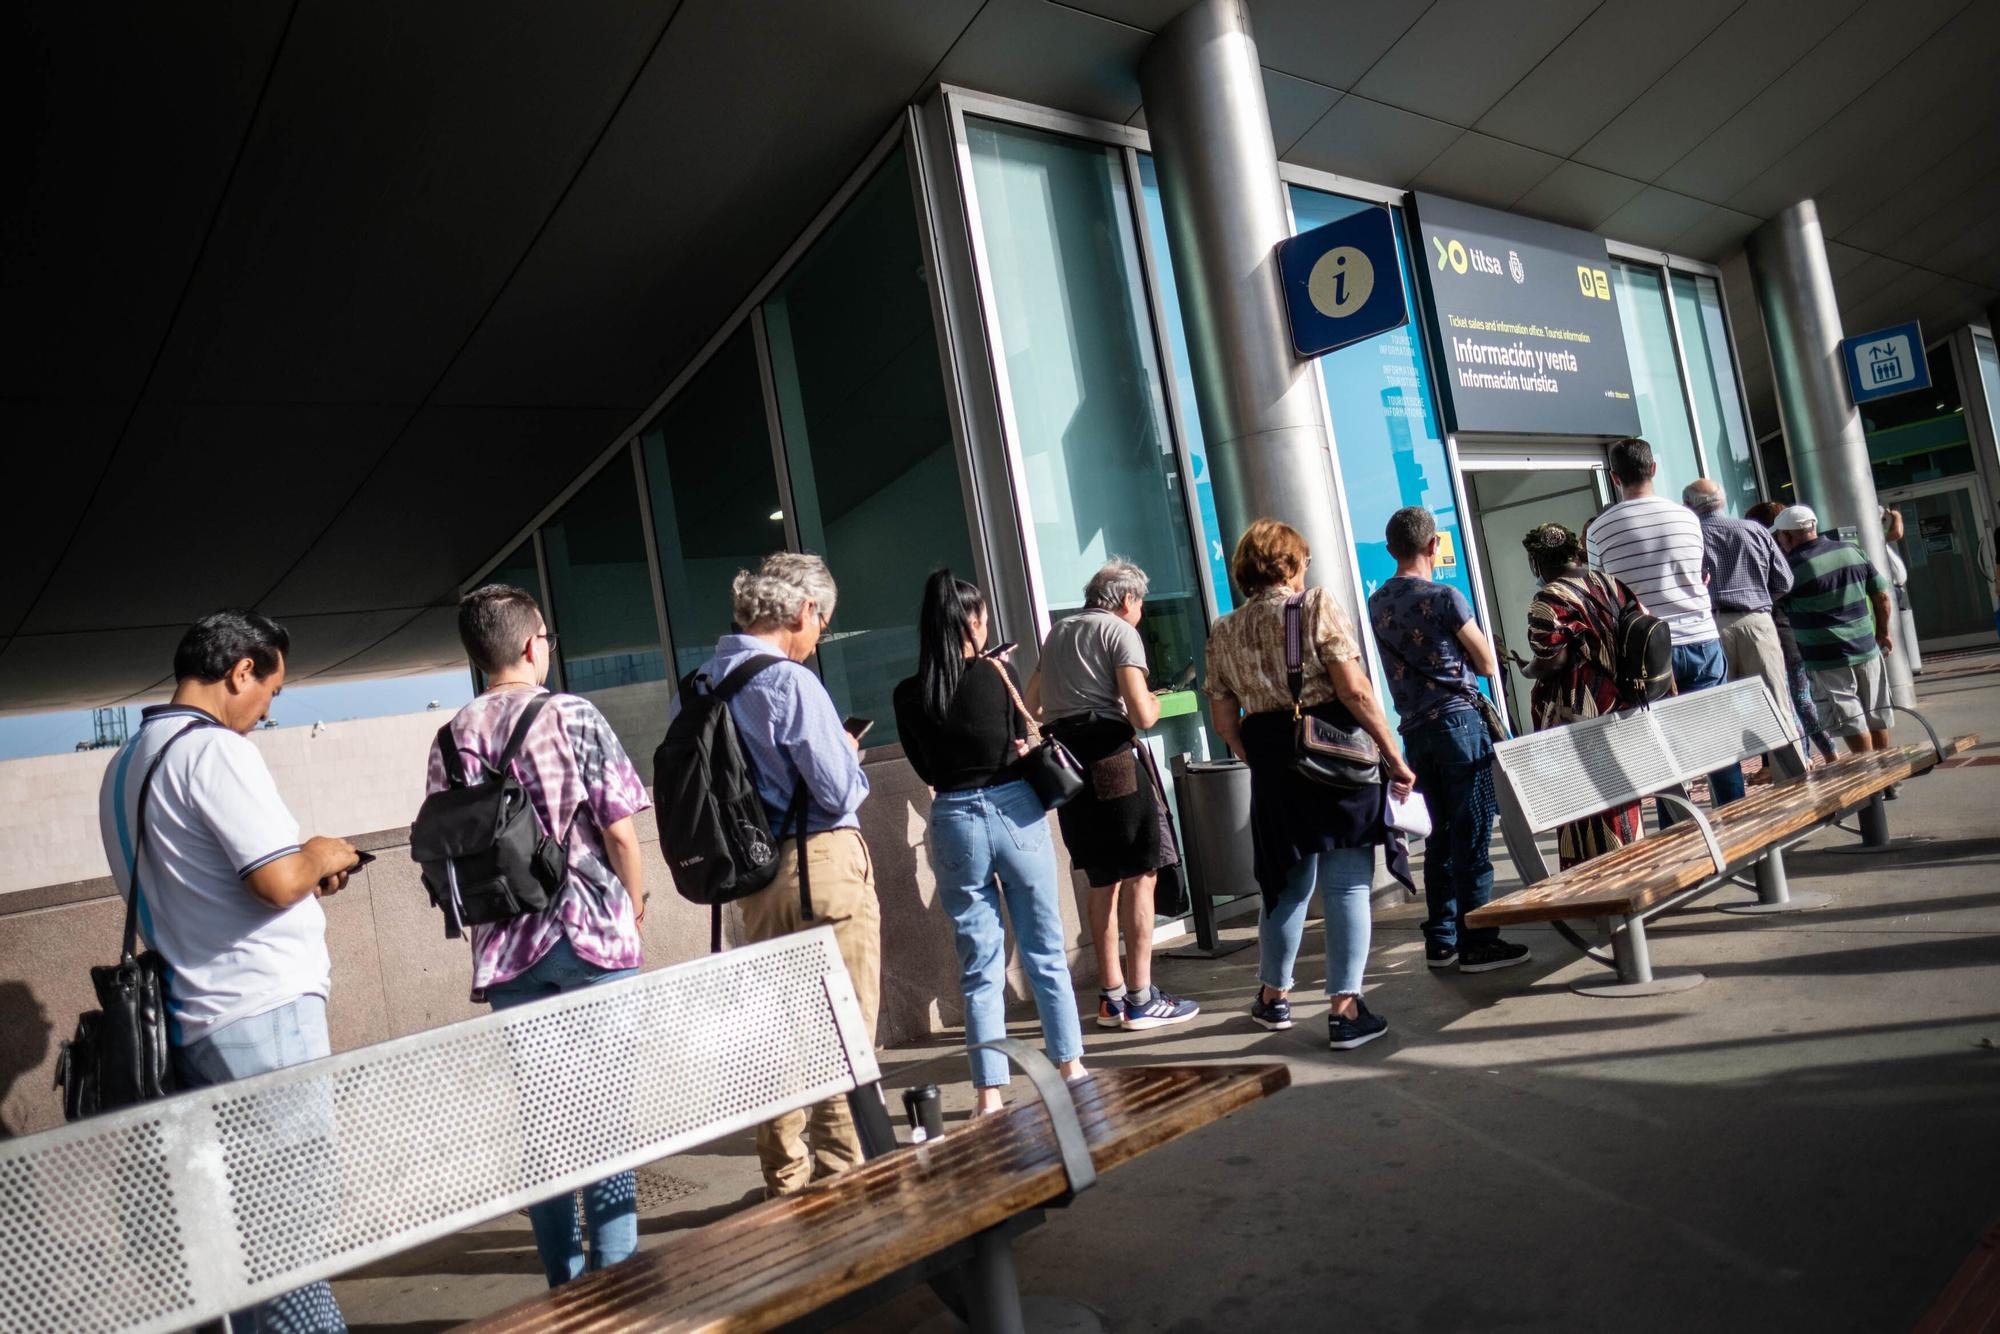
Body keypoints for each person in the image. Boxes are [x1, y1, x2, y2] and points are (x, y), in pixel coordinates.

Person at [98, 610, 360, 1334]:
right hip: (262, 1014)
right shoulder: (213, 751)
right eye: (269, 692)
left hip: (197, 1018)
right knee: (292, 1243)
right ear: (241, 670)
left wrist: (300, 872)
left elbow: (204, 891)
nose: (268, 712)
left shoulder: (125, 766)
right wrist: (324, 853)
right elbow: (274, 880)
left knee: (247, 1247)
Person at [432, 584, 651, 1287]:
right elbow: (619, 827)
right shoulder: (571, 714)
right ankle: (615, 1289)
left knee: (550, 1131)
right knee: (607, 1123)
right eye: (548, 637)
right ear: (532, 644)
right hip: (589, 936)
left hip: (506, 955)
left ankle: (566, 1286)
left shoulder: (450, 739)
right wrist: (635, 898)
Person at [678, 552, 880, 1194]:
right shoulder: (792, 684)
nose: (821, 634)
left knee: (780, 1039)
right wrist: (848, 753)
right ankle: (843, 1184)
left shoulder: (707, 681)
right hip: (822, 865)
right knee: (843, 1034)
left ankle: (786, 1181)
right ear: (801, 611)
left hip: (755, 879)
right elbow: (835, 790)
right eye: (823, 621)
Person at [1205, 520, 1415, 1051]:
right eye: (1304, 560)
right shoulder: (1314, 605)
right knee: (1346, 882)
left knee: (1285, 882)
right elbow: (1354, 690)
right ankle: (1345, 1011)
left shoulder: (1223, 629)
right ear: (1291, 563)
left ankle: (1273, 998)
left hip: (1273, 758)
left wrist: (1262, 759)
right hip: (1334, 749)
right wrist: (1392, 755)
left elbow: (1224, 718)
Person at [894, 572, 1088, 1112]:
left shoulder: (909, 695)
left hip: (955, 817)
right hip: (1013, 810)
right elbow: (1017, 742)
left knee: (979, 963)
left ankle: (989, 1094)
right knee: (1044, 950)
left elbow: (926, 768)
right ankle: (1071, 1066)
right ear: (968, 621)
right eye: (979, 616)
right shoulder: (996, 673)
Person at [1025, 559, 1198, 1032]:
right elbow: (1142, 715)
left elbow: (1031, 702)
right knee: (1141, 873)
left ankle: (1111, 997)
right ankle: (1142, 998)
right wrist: (1156, 698)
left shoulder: (1058, 634)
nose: (1139, 610)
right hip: (1115, 762)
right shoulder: (1120, 632)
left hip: (1071, 769)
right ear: (1127, 600)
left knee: (1102, 879)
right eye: (1140, 602)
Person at [1367, 507, 1529, 974]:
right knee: (1473, 835)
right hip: (1460, 726)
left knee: (1436, 840)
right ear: (1433, 546)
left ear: (1391, 549)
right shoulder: (1445, 596)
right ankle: (1478, 941)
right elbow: (1486, 664)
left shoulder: (1378, 604)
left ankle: (1441, 940)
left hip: (1415, 731)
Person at [1589, 439, 1743, 816]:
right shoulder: (1687, 518)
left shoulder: (1600, 529)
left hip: (1648, 654)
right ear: (1653, 468)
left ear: (1614, 477)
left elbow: (1603, 593)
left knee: (1661, 751)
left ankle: (1679, 837)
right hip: (1701, 639)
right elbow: (1697, 573)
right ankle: (1738, 820)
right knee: (1718, 742)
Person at [1519, 525, 1646, 869]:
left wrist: (1526, 670)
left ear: (1536, 562)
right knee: (1618, 787)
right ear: (1576, 551)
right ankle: (1628, 857)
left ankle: (1593, 872)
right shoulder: (1610, 583)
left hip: (1578, 706)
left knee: (1578, 794)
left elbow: (1554, 659)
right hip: (1618, 699)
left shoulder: (1549, 597)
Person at [1684, 478, 1794, 772]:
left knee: (1719, 712)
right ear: (1722, 501)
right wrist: (1759, 598)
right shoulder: (1754, 530)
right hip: (1757, 621)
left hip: (1711, 625)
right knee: (1776, 702)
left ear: (1688, 506)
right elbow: (1784, 580)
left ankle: (1730, 793)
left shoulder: (1690, 537)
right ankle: (1793, 778)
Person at [1770, 506, 1895, 754]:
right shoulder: (1851, 550)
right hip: (1867, 647)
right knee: (1876, 712)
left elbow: (1777, 607)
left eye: (1780, 536)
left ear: (1787, 535)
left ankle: (1870, 779)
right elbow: (1881, 596)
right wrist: (1883, 632)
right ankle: (1887, 775)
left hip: (1825, 657)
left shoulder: (1790, 569)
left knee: (1849, 719)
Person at [1746, 502, 1838, 764]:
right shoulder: (1784, 560)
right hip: (1796, 638)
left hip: (1779, 639)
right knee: (1802, 700)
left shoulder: (1772, 561)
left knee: (1790, 702)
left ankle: (1805, 757)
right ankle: (1824, 752)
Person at [1879, 506, 1924, 675]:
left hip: (1895, 587)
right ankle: (1897, 667)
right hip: (1890, 588)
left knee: (1897, 625)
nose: (1884, 523)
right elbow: (1897, 533)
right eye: (1882, 520)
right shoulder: (1872, 535)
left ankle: (1901, 664)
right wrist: (1897, 516)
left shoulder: (1878, 537)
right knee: (1892, 627)